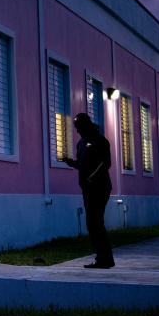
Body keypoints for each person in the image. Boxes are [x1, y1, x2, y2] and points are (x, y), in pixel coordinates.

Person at [63, 112, 114, 269]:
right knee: (92, 224)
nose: (77, 131)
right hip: (87, 189)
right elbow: (82, 164)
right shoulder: (81, 143)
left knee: (96, 222)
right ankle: (103, 257)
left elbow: (106, 163)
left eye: (79, 127)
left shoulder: (100, 141)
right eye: (76, 128)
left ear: (86, 125)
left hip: (100, 188)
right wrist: (71, 162)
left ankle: (104, 258)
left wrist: (93, 177)